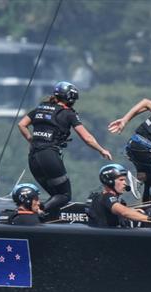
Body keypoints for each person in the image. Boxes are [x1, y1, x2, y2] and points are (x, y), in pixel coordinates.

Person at [18, 81, 112, 218]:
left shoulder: (40, 108)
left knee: (55, 197)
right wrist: (101, 150)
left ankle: (42, 218)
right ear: (71, 99)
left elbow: (22, 124)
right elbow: (87, 138)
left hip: (33, 157)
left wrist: (31, 140)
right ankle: (38, 212)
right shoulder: (68, 114)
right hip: (49, 156)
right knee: (64, 195)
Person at [86, 164, 151, 228]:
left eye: (125, 180)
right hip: (107, 240)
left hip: (110, 237)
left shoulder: (105, 197)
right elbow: (124, 212)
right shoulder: (107, 197)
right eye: (121, 180)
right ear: (109, 181)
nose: (125, 183)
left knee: (150, 211)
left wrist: (135, 211)